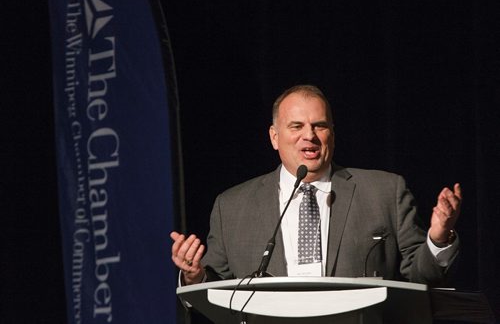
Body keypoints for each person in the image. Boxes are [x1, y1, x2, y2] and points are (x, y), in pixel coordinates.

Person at [171, 84, 461, 286]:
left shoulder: (384, 192)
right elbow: (214, 288)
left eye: (319, 126)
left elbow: (422, 277)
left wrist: (438, 238)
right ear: (274, 137)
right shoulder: (232, 207)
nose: (309, 135)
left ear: (332, 134)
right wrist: (194, 276)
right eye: (296, 126)